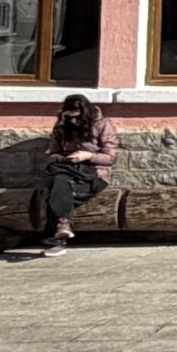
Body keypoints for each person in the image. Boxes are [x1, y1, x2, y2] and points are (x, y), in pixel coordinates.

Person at [42, 94, 116, 255]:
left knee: (57, 191)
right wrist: (58, 157)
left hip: (93, 174)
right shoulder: (62, 125)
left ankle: (59, 236)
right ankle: (62, 227)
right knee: (60, 182)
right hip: (67, 168)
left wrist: (88, 156)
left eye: (77, 118)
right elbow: (52, 152)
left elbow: (110, 157)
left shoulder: (103, 124)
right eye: (70, 118)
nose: (74, 121)